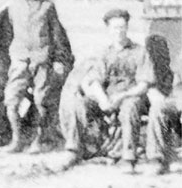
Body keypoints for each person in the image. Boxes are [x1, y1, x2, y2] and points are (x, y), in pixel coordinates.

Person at [61, 9, 173, 173]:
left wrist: (123, 96)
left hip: (131, 96)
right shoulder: (104, 53)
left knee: (130, 107)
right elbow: (95, 81)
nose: (119, 32)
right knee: (79, 104)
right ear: (108, 30)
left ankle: (128, 157)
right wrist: (103, 100)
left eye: (122, 27)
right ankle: (73, 150)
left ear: (127, 28)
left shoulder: (139, 52)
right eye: (115, 28)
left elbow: (143, 85)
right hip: (108, 97)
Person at [3, 0, 74, 153]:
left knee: (41, 100)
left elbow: (57, 36)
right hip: (20, 59)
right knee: (11, 99)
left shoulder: (47, 7)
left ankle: (39, 139)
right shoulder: (14, 6)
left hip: (41, 60)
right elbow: (9, 31)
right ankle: (17, 140)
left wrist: (59, 59)